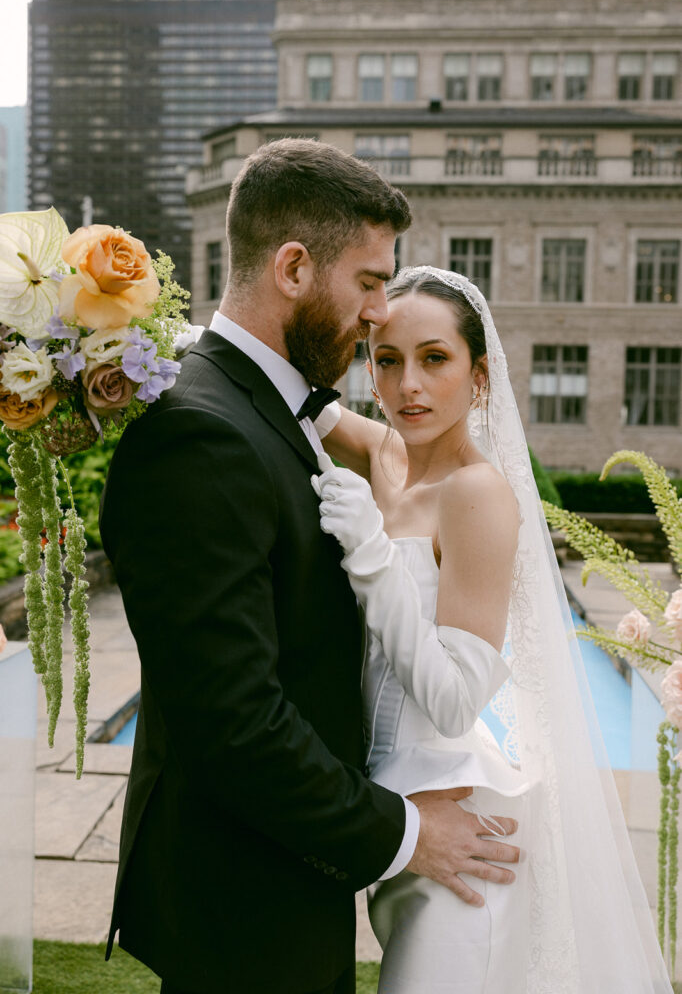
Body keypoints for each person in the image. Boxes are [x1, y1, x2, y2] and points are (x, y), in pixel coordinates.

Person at [99, 141, 520, 994]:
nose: (379, 315)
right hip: (244, 893)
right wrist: (406, 834)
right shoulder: (202, 431)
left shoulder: (272, 404)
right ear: (294, 267)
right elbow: (236, 722)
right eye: (369, 283)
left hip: (295, 867)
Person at [311, 265, 673, 993]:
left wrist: (373, 556)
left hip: (458, 839)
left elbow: (454, 700)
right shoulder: (387, 456)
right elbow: (285, 397)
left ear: (479, 376)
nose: (408, 384)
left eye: (434, 359)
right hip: (399, 822)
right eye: (387, 361)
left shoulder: (478, 492)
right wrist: (134, 336)